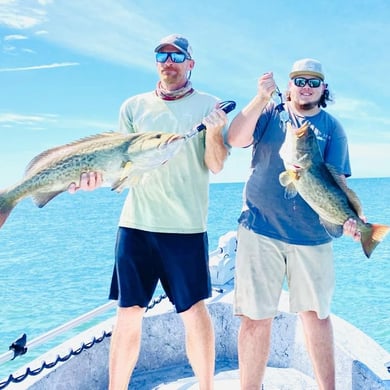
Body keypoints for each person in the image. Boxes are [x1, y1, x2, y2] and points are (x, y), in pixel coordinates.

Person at [69, 34, 229, 389]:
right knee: (128, 314)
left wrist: (216, 133)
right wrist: (95, 179)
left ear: (191, 63)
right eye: (162, 55)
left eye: (177, 56)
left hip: (186, 228)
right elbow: (120, 167)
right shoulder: (133, 106)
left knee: (194, 313)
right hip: (136, 225)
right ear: (156, 62)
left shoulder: (209, 105)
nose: (168, 61)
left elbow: (216, 165)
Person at [227, 58, 361, 390]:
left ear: (323, 89)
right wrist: (260, 98)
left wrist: (350, 217)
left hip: (313, 237)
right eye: (298, 80)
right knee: (256, 319)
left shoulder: (333, 128)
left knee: (316, 317)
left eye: (313, 82)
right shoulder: (270, 114)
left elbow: (337, 181)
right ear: (289, 86)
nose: (305, 86)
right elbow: (234, 138)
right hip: (259, 229)